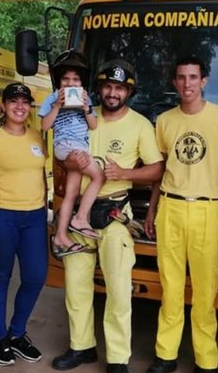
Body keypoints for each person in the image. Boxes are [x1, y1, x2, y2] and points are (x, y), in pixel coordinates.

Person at [51, 59, 164, 373]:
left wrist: (124, 171)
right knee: (76, 285)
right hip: (77, 215)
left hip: (114, 213)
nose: (113, 93)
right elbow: (59, 146)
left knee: (118, 290)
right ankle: (81, 347)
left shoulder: (141, 124)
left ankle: (117, 359)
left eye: (120, 88)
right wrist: (67, 161)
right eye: (108, 86)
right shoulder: (81, 115)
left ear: (128, 91)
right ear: (99, 89)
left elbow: (157, 169)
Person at [143, 56, 218, 373]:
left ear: (204, 81)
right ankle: (165, 355)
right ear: (174, 82)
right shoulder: (165, 120)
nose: (187, 83)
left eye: (193, 77)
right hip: (170, 207)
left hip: (206, 208)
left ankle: (206, 359)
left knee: (204, 290)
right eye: (181, 77)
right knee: (170, 287)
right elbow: (160, 171)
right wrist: (153, 208)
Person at [0, 82, 48, 367]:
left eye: (24, 102)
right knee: (0, 277)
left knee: (36, 276)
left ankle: (17, 334)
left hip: (34, 218)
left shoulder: (38, 137)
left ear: (30, 107)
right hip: (1, 215)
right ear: (3, 105)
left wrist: (45, 207)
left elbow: (42, 177)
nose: (19, 106)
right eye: (13, 101)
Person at [39, 50, 105, 257]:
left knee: (71, 194)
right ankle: (81, 218)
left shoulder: (86, 99)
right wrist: (57, 105)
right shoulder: (52, 98)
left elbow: (93, 125)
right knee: (99, 176)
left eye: (75, 79)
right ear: (59, 81)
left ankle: (60, 235)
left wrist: (86, 108)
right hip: (66, 145)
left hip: (81, 146)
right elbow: (45, 124)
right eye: (66, 79)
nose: (70, 83)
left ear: (81, 83)